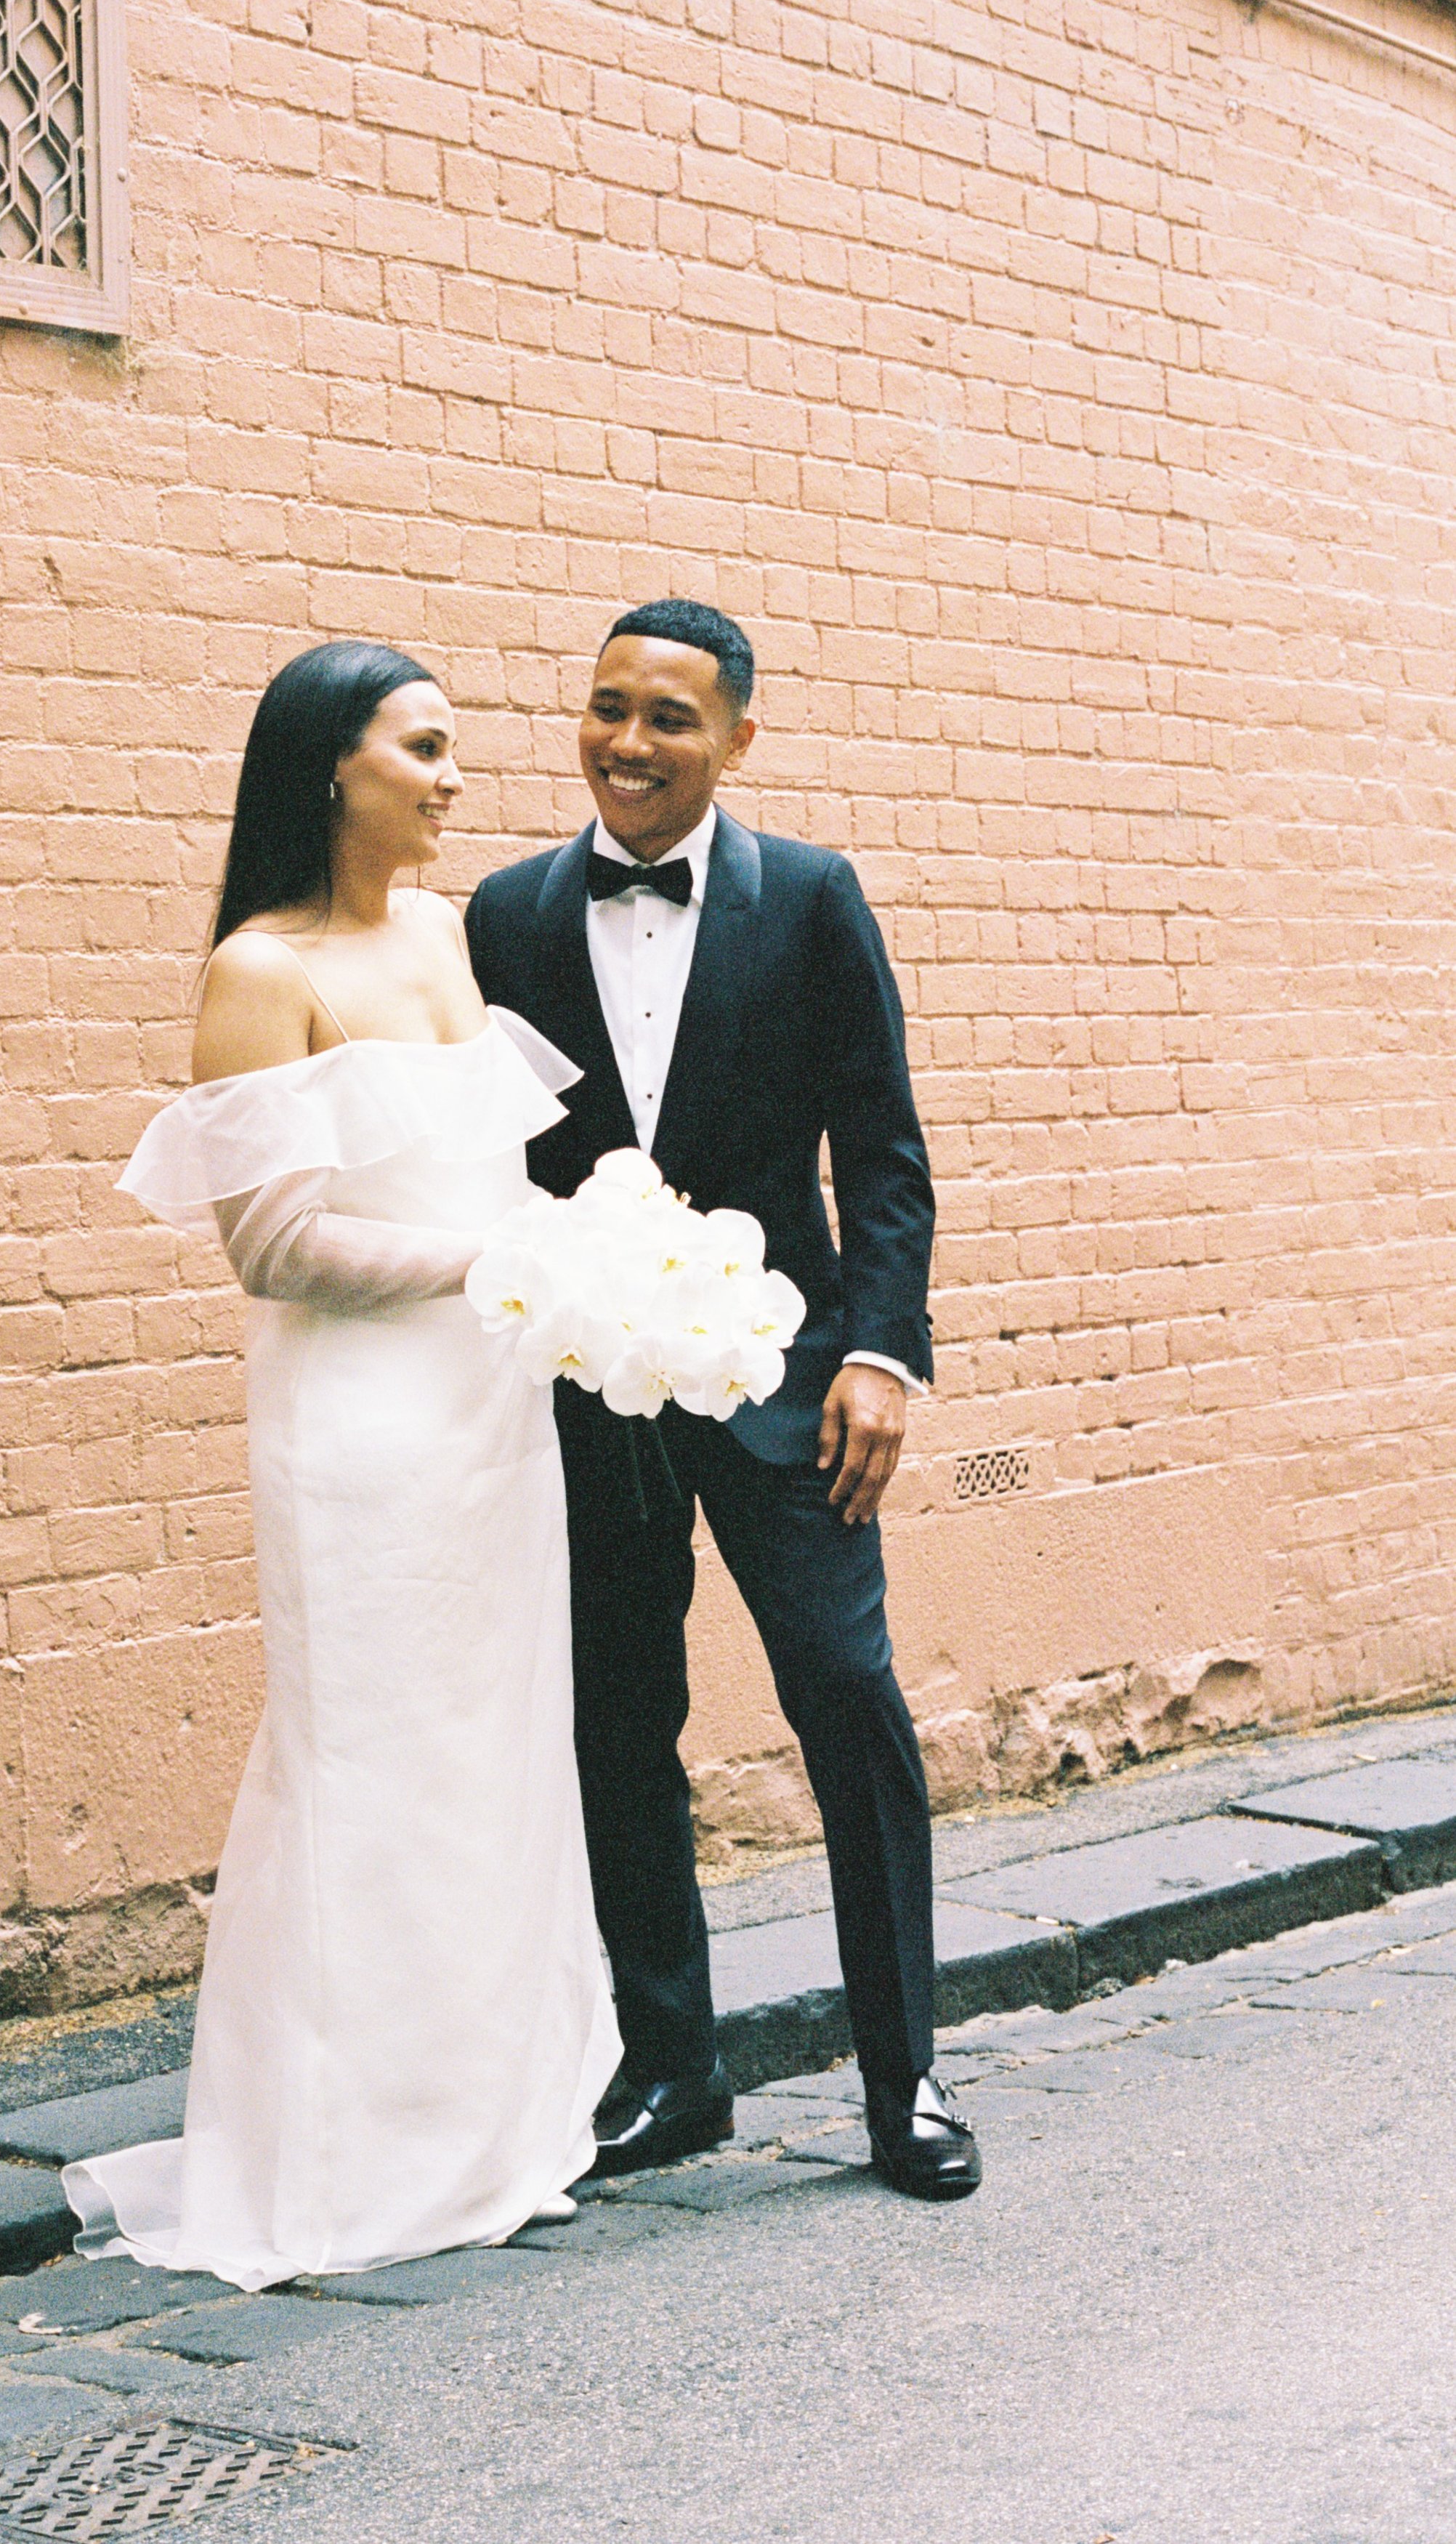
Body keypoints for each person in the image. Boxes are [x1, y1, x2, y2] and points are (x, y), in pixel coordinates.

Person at [62, 639, 621, 2288]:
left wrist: (591, 1262)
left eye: (453, 751)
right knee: (371, 1766)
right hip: (361, 1434)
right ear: (330, 765)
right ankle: (343, 2161)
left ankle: (491, 2132)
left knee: (496, 1763)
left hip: (490, 1418)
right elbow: (276, 1242)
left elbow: (494, 1176)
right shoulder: (258, 965)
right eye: (424, 747)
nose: (455, 779)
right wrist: (491, 1267)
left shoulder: (451, 935)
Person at [466, 600, 981, 2202]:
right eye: (604, 707)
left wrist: (882, 1353)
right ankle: (672, 2071)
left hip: (789, 1390)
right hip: (592, 1399)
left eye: (667, 718)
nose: (626, 741)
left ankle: (904, 2079)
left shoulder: (812, 898)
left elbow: (877, 1150)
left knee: (845, 1695)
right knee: (619, 1722)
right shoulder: (505, 915)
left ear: (735, 739)